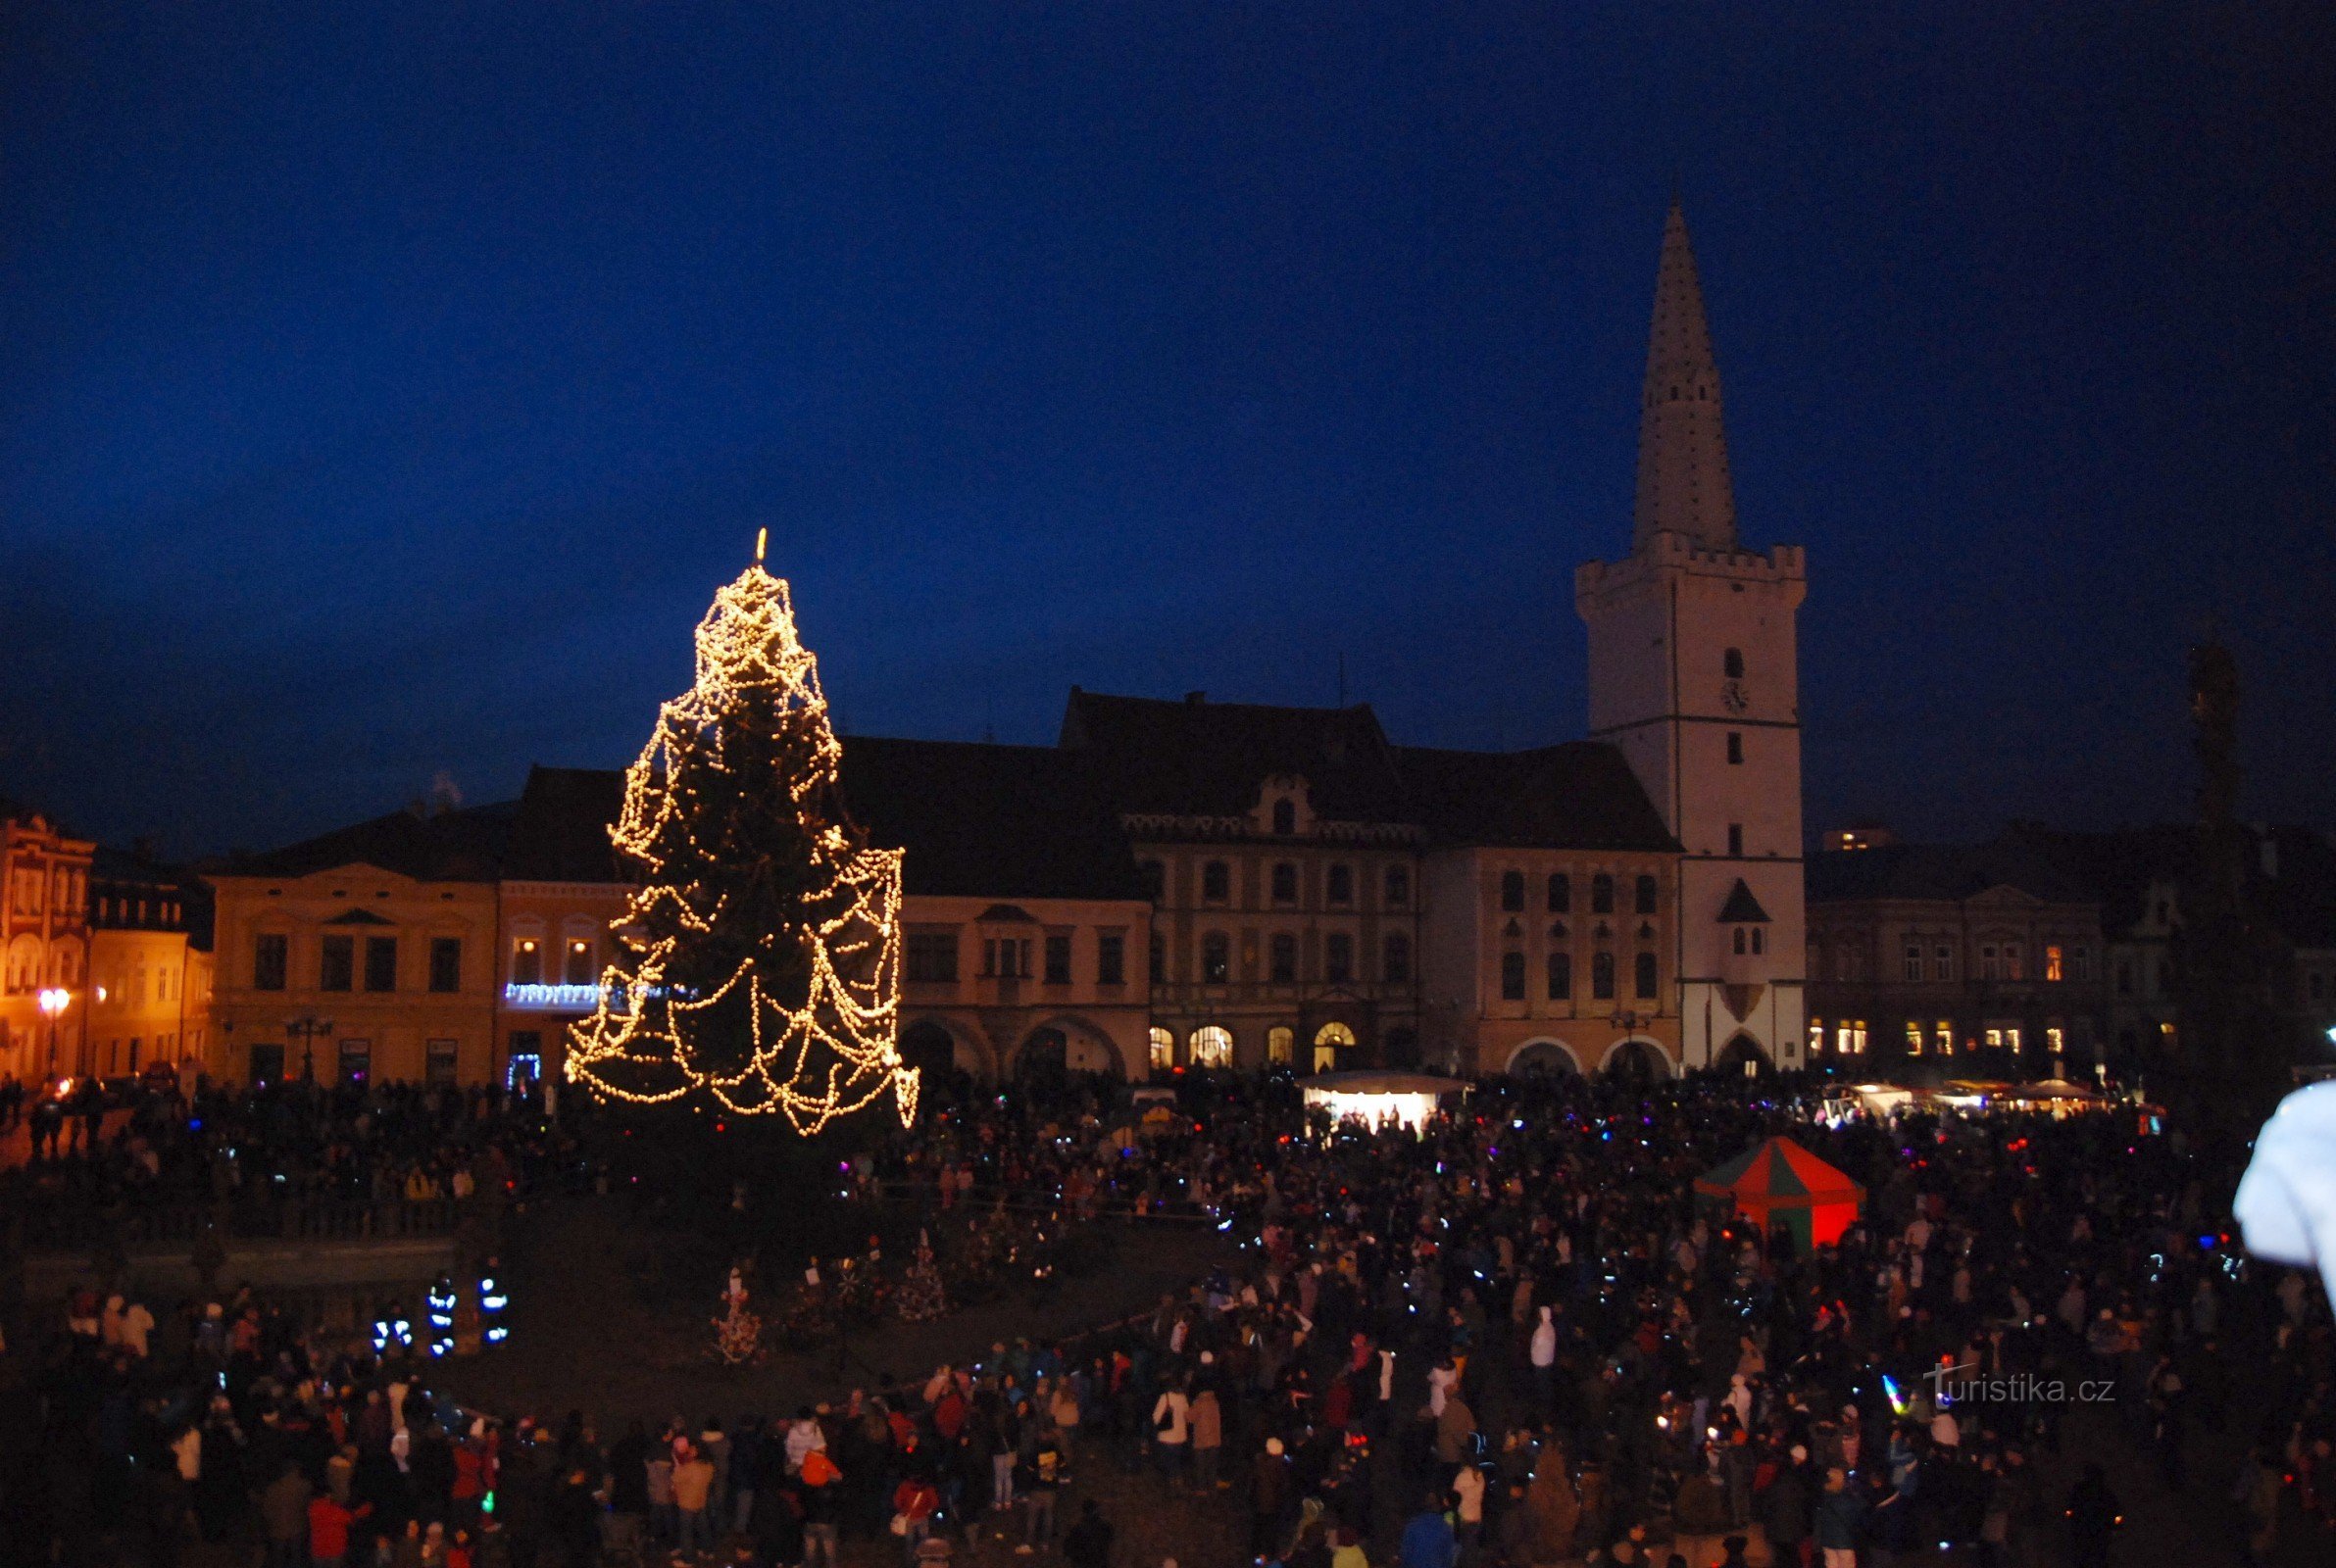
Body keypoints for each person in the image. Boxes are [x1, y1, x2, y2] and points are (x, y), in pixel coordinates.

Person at [2063, 1462, 2120, 1568]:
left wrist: (2115, 1527)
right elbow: (2070, 1508)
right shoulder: (2080, 1490)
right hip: (2084, 1529)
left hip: (2096, 1530)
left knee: (2096, 1556)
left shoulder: (2104, 1493)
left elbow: (2115, 1513)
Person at [1814, 1467, 1865, 1568]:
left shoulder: (1824, 1498)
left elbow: (1819, 1519)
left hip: (1827, 1539)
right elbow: (1860, 1510)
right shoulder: (1846, 1498)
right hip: (1845, 1540)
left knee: (1831, 1564)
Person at [1399, 1492, 1458, 1568]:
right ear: (1439, 1506)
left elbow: (1405, 1554)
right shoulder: (1445, 1529)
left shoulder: (1413, 1526)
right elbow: (1448, 1558)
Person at [1062, 1499, 1114, 1568]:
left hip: (1082, 1563)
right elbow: (1110, 1541)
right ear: (1096, 1509)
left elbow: (1069, 1547)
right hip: (1099, 1562)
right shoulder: (1105, 1526)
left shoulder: (1077, 1528)